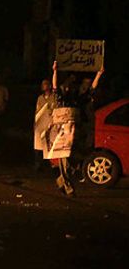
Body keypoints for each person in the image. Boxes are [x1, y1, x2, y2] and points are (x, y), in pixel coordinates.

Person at [48, 60, 104, 196]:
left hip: (74, 132)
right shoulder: (60, 98)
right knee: (64, 158)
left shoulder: (78, 99)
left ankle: (61, 180)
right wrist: (55, 71)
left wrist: (99, 74)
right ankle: (68, 187)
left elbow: (91, 91)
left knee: (73, 160)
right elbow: (55, 87)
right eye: (66, 85)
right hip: (61, 133)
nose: (68, 87)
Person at [33, 79, 55, 171]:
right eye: (42, 84)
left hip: (50, 123)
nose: (43, 86)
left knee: (49, 145)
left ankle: (51, 164)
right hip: (40, 124)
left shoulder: (53, 97)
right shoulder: (40, 98)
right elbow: (37, 111)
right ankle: (38, 164)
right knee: (38, 145)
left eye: (45, 84)